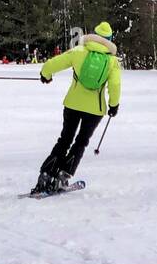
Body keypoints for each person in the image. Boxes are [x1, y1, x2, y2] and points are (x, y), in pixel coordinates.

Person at [32, 22, 121, 194]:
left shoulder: (79, 51)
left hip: (72, 104)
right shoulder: (112, 61)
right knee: (81, 142)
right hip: (95, 110)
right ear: (109, 40)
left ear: (93, 35)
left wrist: (46, 75)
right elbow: (115, 85)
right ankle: (63, 176)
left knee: (65, 139)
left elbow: (52, 64)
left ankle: (46, 173)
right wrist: (113, 105)